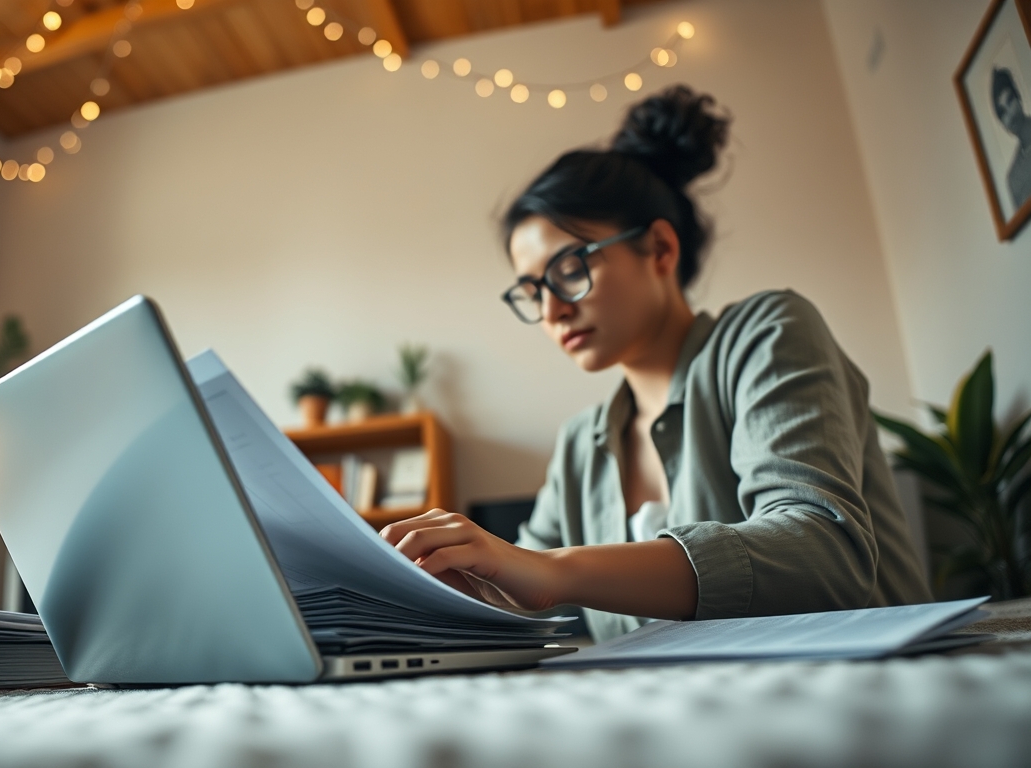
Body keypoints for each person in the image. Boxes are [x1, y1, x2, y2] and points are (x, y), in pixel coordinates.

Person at [381, 85, 932, 642]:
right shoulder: (579, 446)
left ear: (661, 250)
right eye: (530, 291)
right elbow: (515, 590)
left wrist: (552, 571)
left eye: (569, 269)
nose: (551, 309)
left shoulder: (768, 334)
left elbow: (823, 555)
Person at [992, 67, 1031, 210]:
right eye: (1003, 113)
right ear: (1002, 124)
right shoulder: (1013, 179)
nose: (1010, 114)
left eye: (1009, 100)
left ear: (1018, 97)